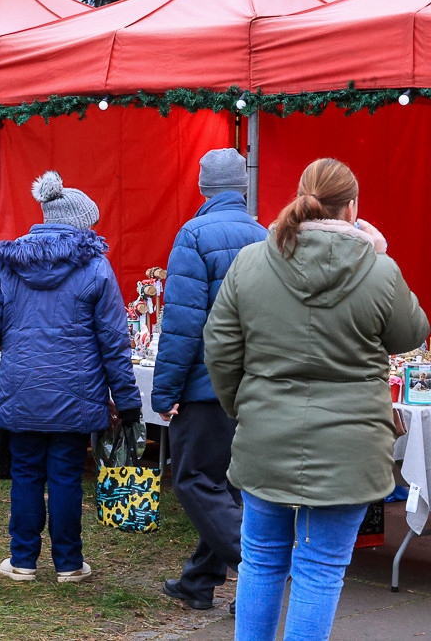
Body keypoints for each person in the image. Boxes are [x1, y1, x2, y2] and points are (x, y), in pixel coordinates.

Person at [204, 158, 429, 640]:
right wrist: (381, 255)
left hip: (266, 437)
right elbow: (412, 333)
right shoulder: (377, 268)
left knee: (261, 563)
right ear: (352, 209)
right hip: (348, 449)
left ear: (299, 198)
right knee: (319, 571)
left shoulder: (251, 261)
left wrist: (242, 410)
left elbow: (219, 348)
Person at [0, 171, 141, 582]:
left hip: (23, 387)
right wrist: (128, 401)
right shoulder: (95, 266)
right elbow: (115, 342)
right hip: (77, 391)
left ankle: (22, 561)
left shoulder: (7, 263)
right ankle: (69, 563)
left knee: (26, 473)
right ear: (80, 223)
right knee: (66, 475)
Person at [152, 148, 267, 614]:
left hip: (205, 384)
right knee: (223, 482)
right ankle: (199, 583)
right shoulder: (265, 236)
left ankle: (261, 563)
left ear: (202, 187)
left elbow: (182, 324)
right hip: (253, 383)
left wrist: (164, 391)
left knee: (195, 480)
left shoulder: (193, 235)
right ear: (241, 187)